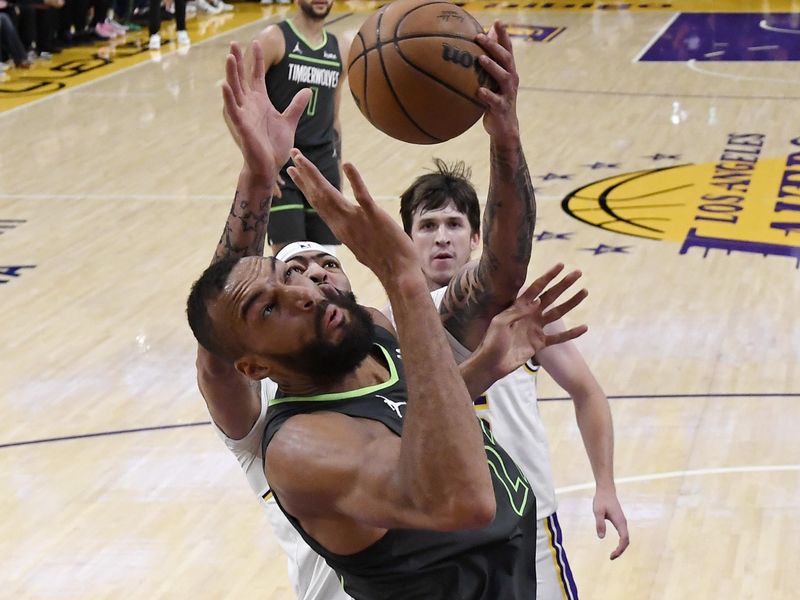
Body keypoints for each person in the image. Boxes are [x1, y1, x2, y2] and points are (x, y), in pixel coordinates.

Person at [190, 29, 588, 599]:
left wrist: (504, 136)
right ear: (252, 363)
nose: (308, 285)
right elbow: (217, 344)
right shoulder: (289, 441)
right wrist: (257, 181)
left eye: (318, 267)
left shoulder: (382, 335)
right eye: (284, 285)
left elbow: (491, 287)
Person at [390, 158, 631, 598]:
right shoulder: (389, 327)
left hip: (527, 519)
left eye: (454, 223)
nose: (442, 236)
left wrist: (605, 484)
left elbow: (587, 392)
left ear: (477, 237)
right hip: (440, 533)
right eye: (427, 225)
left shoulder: (522, 310)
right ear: (407, 240)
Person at [242, 0, 344, 255]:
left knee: (327, 259)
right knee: (290, 260)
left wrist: (337, 166)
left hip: (323, 166)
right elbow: (236, 107)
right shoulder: (273, 39)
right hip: (281, 166)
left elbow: (334, 118)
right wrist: (257, 161)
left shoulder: (340, 47)